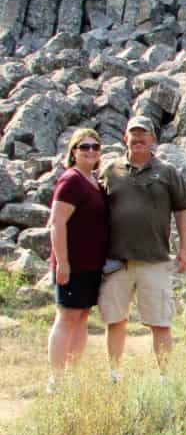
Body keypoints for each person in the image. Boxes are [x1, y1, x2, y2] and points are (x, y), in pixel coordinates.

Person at [98, 116, 186, 378]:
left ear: (153, 139)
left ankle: (165, 378)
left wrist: (184, 250)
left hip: (156, 261)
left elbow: (182, 211)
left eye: (144, 134)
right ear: (125, 138)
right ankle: (114, 375)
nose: (138, 138)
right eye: (133, 134)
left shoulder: (168, 172)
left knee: (161, 322)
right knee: (115, 320)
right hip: (118, 262)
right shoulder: (110, 170)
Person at [47, 128, 109, 389]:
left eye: (95, 147)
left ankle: (73, 376)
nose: (91, 151)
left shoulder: (93, 181)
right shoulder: (71, 180)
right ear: (74, 151)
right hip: (72, 264)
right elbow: (57, 222)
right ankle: (56, 379)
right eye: (84, 147)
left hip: (91, 264)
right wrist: (62, 262)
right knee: (67, 317)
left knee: (82, 316)